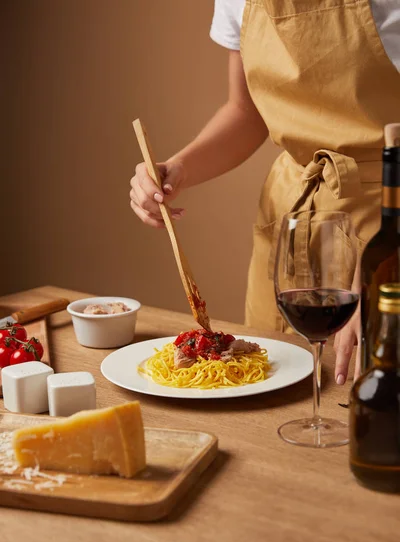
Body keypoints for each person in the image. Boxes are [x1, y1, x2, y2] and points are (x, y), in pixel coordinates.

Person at [130, 0, 400, 385]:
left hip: (386, 225)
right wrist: (178, 170)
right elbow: (246, 110)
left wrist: (383, 269)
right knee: (268, 393)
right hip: (289, 225)